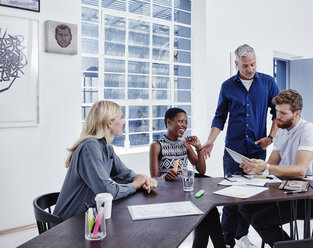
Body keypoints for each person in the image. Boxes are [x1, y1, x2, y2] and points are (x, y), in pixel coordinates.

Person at [203, 44, 279, 248]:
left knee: (252, 196)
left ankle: (241, 235)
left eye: (253, 64)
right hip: (233, 152)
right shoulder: (227, 86)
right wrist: (210, 140)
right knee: (231, 197)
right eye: (245, 65)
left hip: (257, 151)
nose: (250, 69)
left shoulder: (268, 83)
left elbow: (278, 113)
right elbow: (220, 117)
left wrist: (270, 137)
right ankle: (226, 241)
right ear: (236, 63)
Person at [239, 89, 313, 247]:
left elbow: (300, 170)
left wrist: (266, 167)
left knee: (261, 220)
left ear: (297, 113)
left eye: (283, 113)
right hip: (286, 190)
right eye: (277, 111)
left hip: (309, 196)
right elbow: (272, 163)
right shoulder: (281, 131)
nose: (277, 116)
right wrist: (255, 169)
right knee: (245, 206)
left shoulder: (308, 131)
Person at [54, 100, 157, 221]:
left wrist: (144, 180)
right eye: (121, 117)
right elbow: (106, 191)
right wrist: (135, 185)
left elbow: (124, 174)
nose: (124, 121)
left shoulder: (106, 147)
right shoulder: (90, 147)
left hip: (88, 218)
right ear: (109, 123)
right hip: (68, 223)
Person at [149, 107, 225, 248]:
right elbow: (154, 177)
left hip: (187, 190)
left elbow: (201, 170)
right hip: (170, 194)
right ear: (169, 122)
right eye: (181, 121)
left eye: (186, 122)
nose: (184, 125)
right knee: (209, 213)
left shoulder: (185, 145)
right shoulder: (157, 146)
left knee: (209, 212)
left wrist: (198, 147)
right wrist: (165, 176)